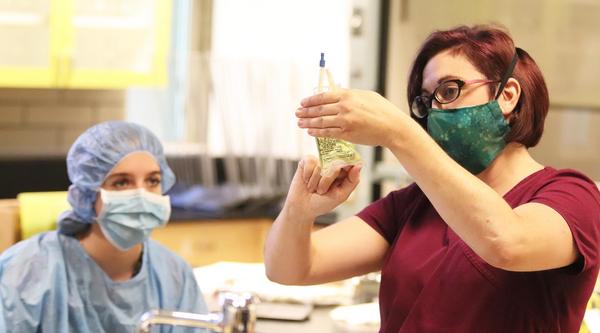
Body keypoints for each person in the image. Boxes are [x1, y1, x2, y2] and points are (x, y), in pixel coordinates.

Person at [264, 24, 600, 332]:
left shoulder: (573, 196)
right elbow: (290, 269)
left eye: (449, 90)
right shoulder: (414, 204)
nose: (436, 111)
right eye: (426, 102)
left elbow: (506, 242)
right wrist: (299, 210)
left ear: (508, 95)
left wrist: (398, 132)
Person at [0, 121, 208, 332]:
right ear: (87, 195)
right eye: (121, 182)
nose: (142, 195)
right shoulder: (26, 270)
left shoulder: (174, 274)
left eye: (152, 181)